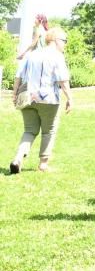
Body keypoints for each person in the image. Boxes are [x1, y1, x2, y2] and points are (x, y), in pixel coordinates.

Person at [9, 28, 72, 173]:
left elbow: (18, 75)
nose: (65, 44)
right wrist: (70, 98)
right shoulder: (57, 56)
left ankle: (18, 158)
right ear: (55, 40)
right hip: (48, 99)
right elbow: (63, 79)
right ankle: (43, 164)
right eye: (64, 41)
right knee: (49, 131)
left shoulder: (32, 54)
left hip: (27, 98)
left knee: (29, 131)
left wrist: (14, 94)